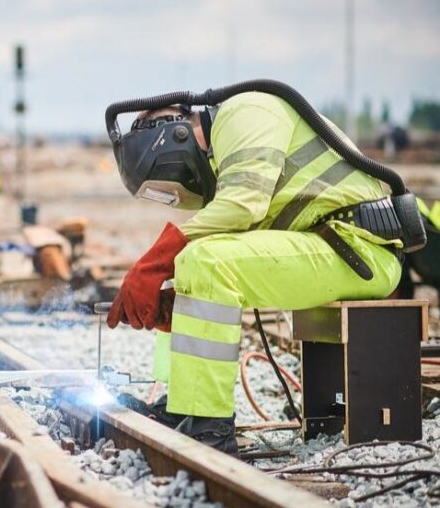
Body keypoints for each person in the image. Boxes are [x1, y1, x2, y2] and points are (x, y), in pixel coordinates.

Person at [106, 92, 403, 454]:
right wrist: (185, 303)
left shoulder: (244, 112)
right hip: (331, 247)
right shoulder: (229, 151)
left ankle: (209, 428)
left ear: (176, 138)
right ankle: (187, 408)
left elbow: (244, 205)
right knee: (197, 264)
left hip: (357, 247)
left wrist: (153, 262)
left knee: (205, 261)